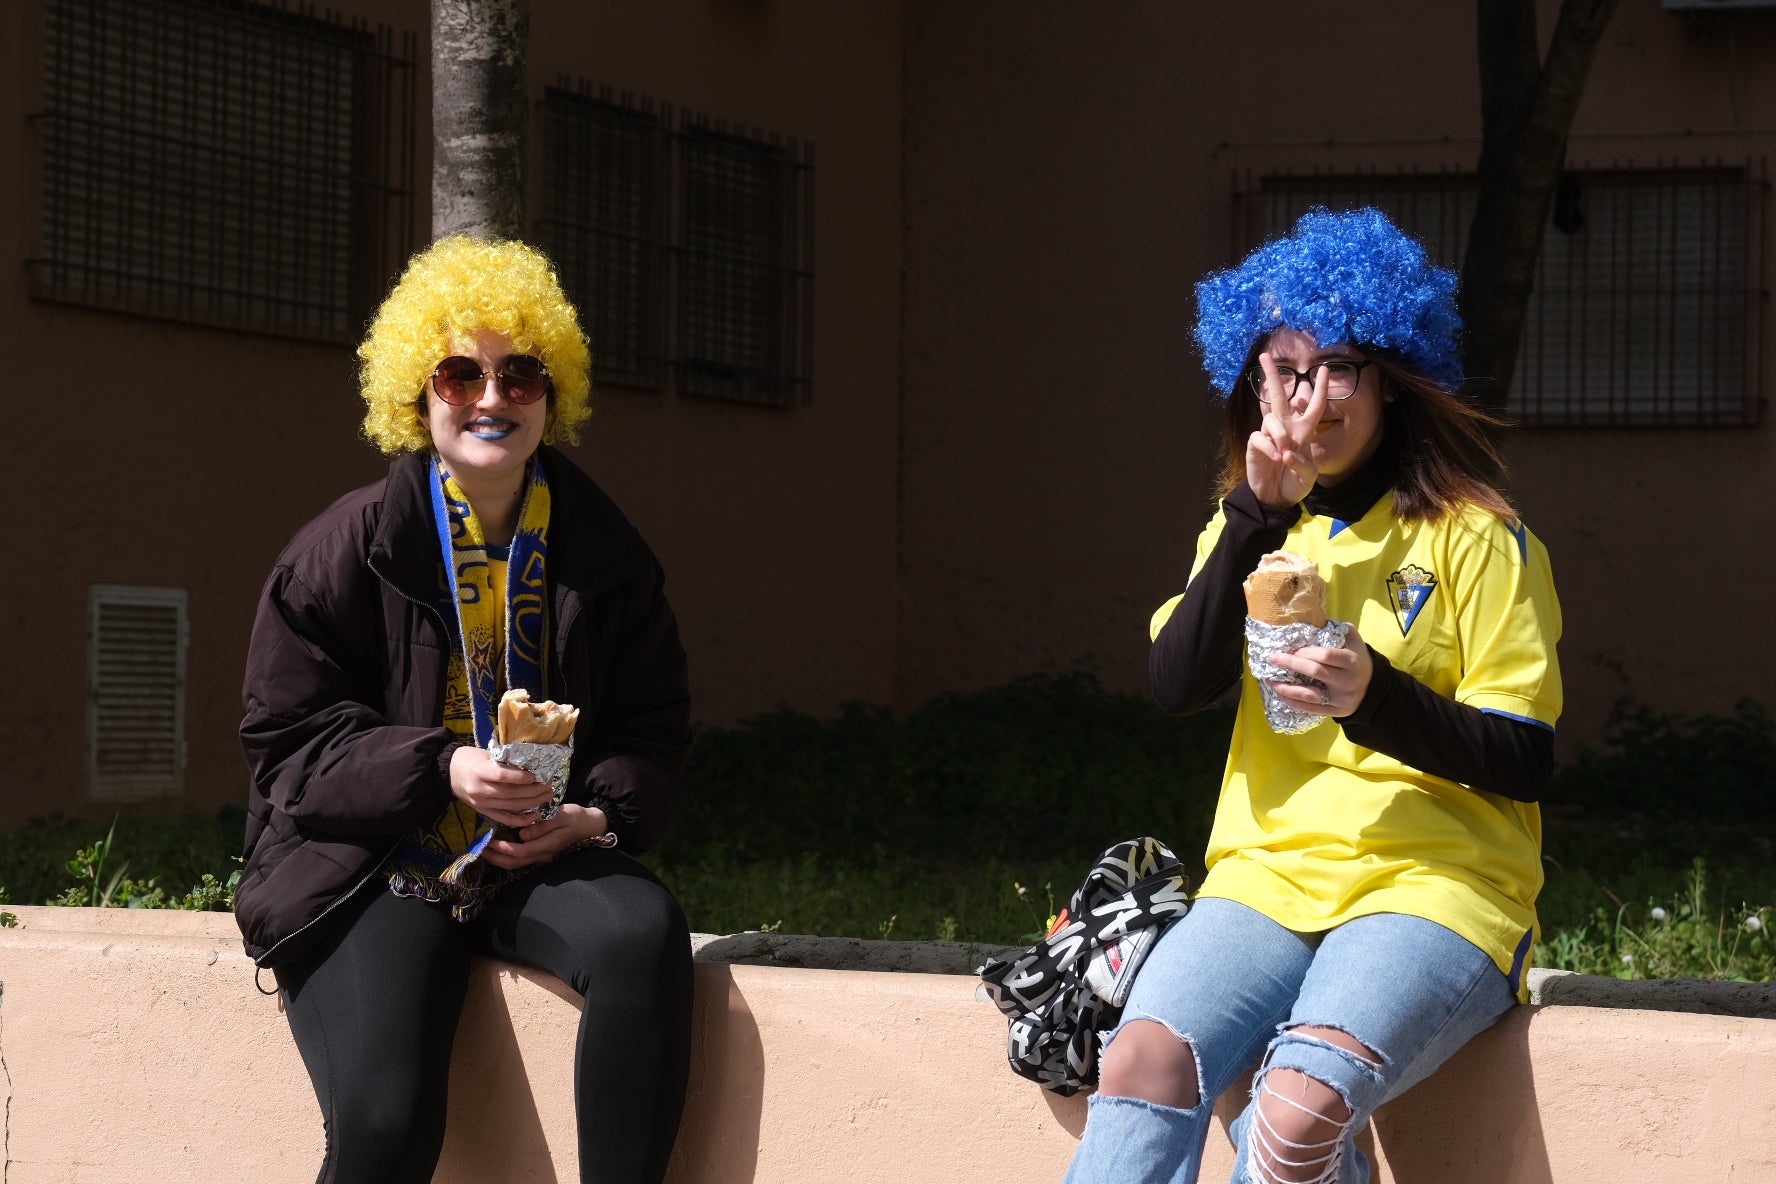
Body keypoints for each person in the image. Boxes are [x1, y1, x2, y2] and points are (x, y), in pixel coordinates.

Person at [1064, 208, 1562, 1184]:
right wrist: (1255, 511)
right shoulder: (1247, 524)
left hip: (1436, 887)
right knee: (1140, 1059)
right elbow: (1176, 682)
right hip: (1264, 878)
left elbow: (1526, 752)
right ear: (1256, 382)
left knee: (1291, 1116)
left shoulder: (1480, 535)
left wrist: (1374, 694)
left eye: (1341, 368)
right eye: (1288, 370)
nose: (1314, 397)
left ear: (1392, 379)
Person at [236, 236, 694, 1184]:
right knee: (386, 1121)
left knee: (643, 934)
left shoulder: (610, 554)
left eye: (521, 375)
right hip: (374, 864)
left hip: (534, 861)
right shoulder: (341, 547)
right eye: (459, 374)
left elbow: (655, 726)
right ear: (418, 392)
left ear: (552, 395)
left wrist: (594, 817)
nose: (491, 399)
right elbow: (287, 747)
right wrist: (441, 766)